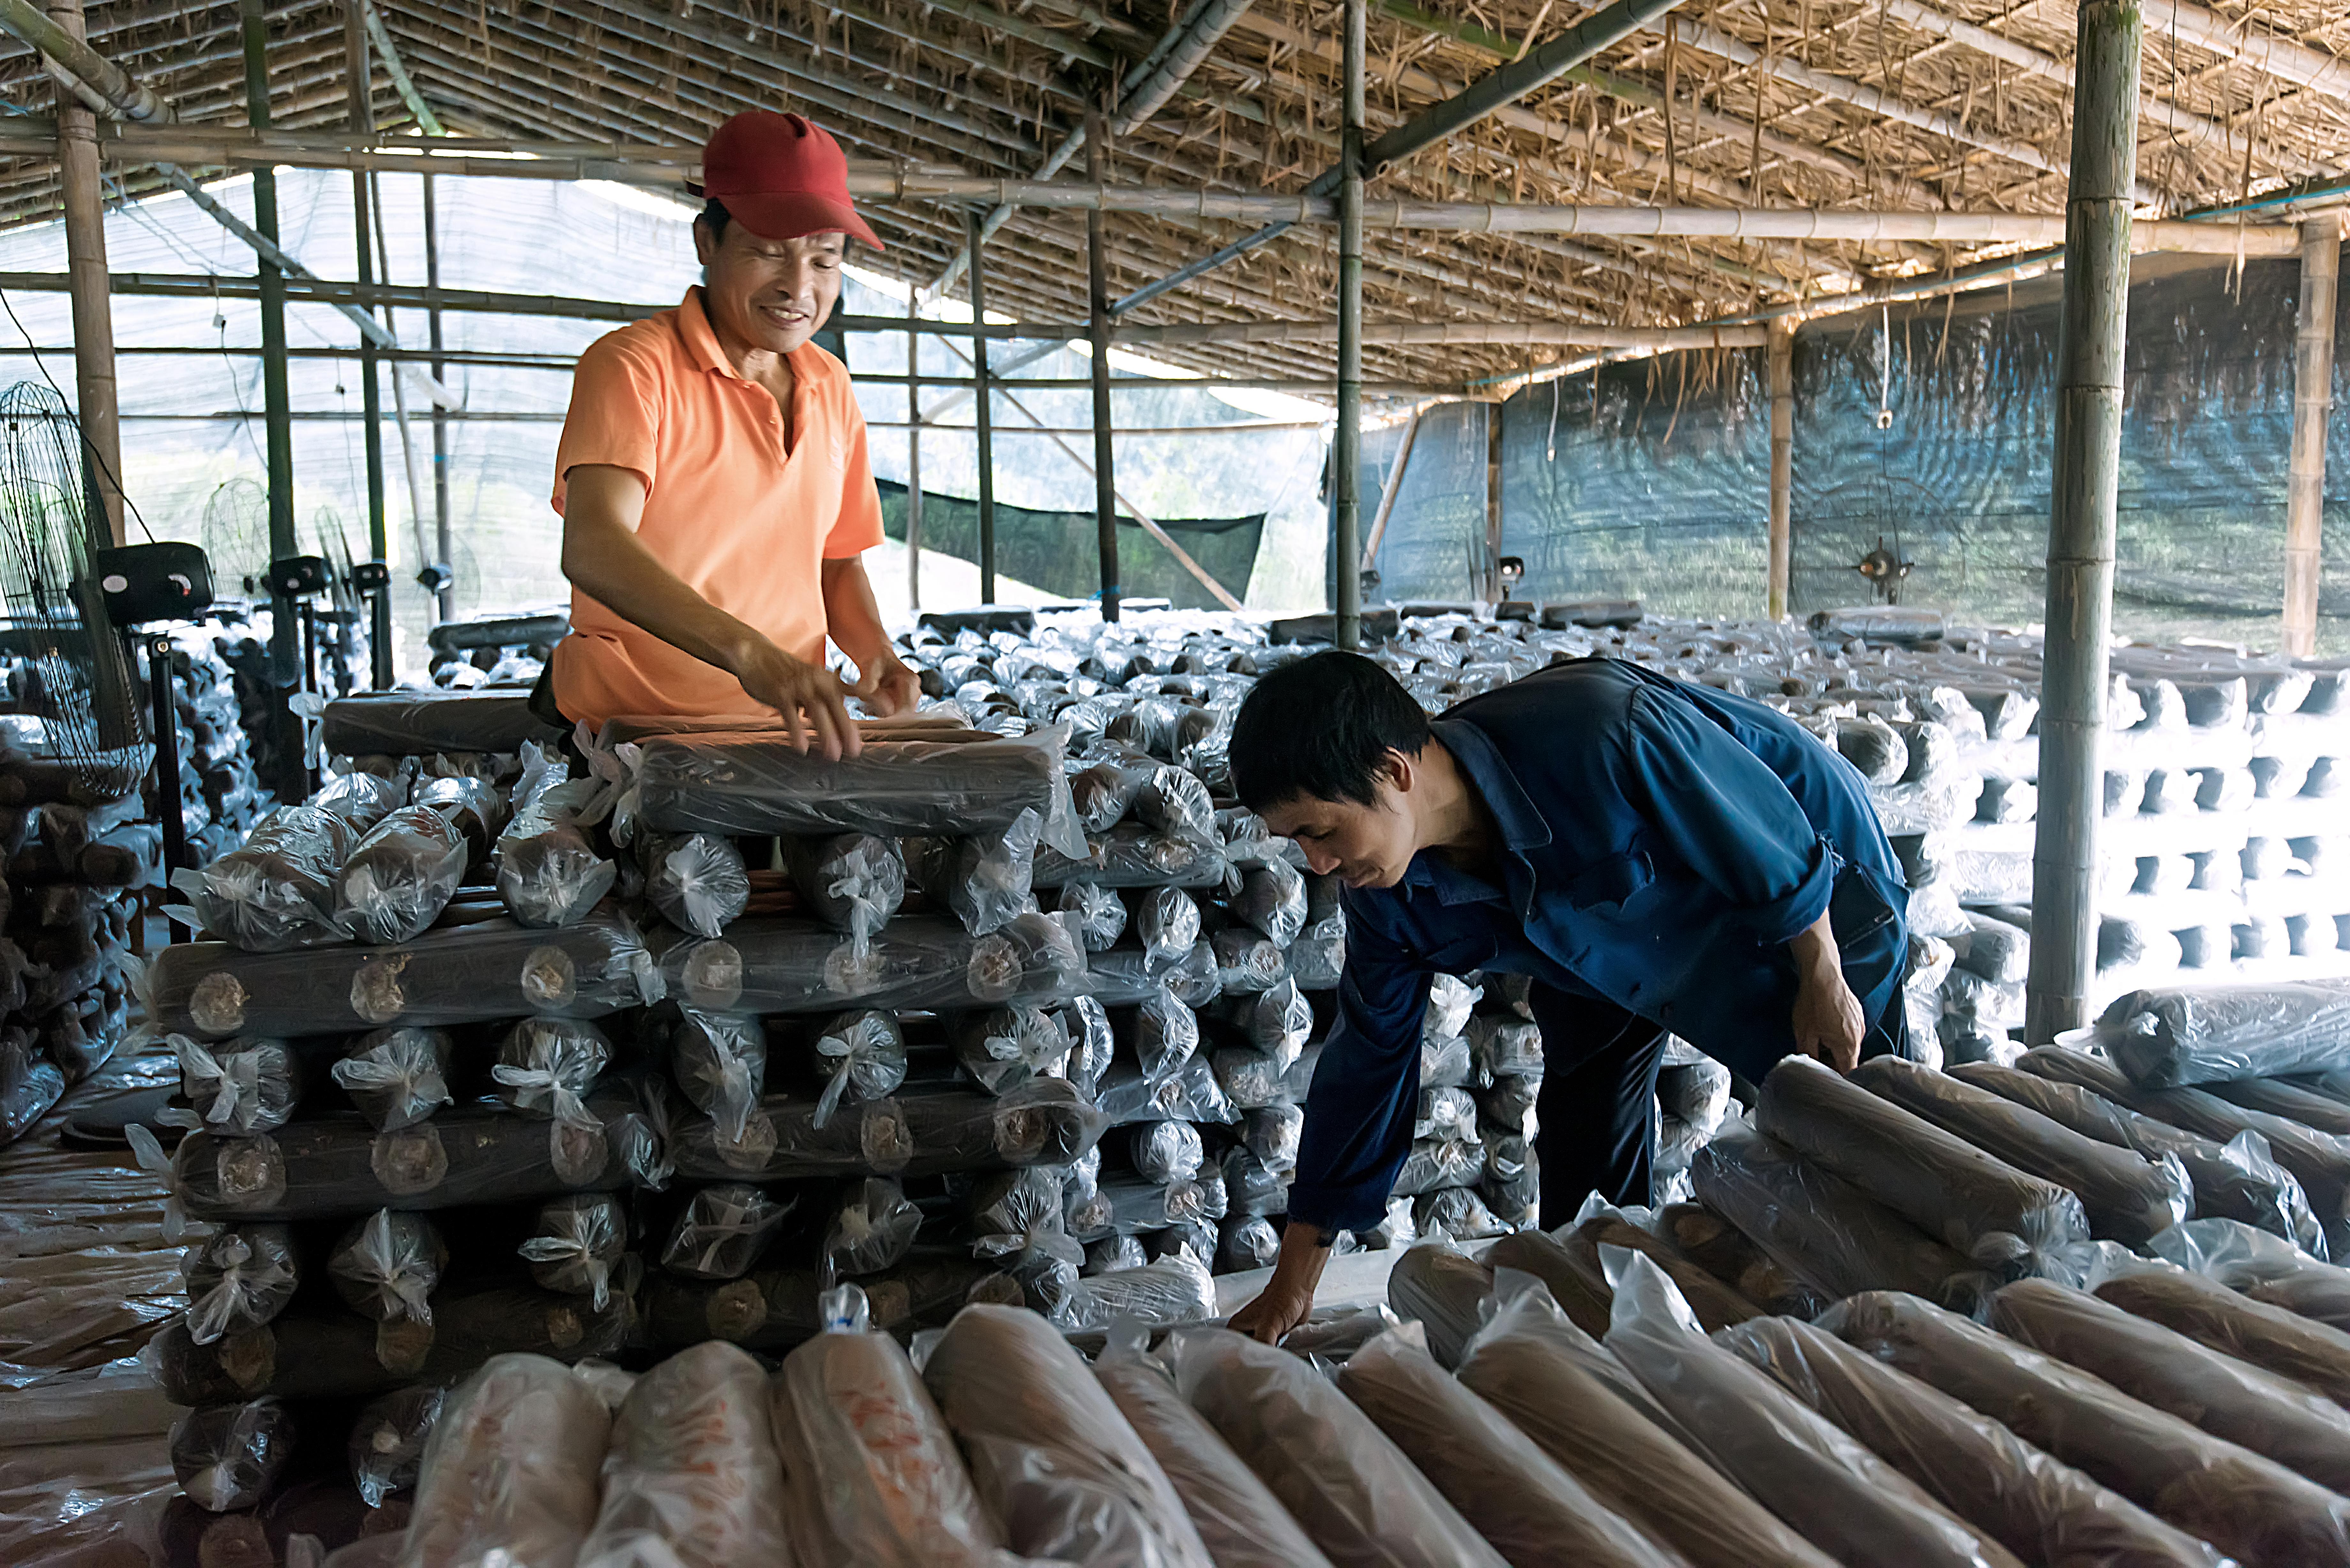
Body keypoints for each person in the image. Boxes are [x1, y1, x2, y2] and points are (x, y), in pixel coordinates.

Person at [1223, 650, 1911, 1343]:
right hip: (1601, 935)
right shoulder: (1389, 900)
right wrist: (1290, 1288)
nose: (1317, 864)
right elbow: (1367, 1068)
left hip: (1799, 884)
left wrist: (1823, 973)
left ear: (1393, 772)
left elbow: (1766, 835)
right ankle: (1615, 1327)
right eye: (1297, 843)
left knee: (1844, 1127)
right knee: (1586, 1133)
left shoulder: (1600, 733)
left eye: (1319, 830)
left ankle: (1902, 1329)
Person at [538, 110, 920, 757]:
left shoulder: (830, 384)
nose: (798, 287)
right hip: (633, 736)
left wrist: (873, 651)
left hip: (785, 736)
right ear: (705, 243)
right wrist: (748, 651)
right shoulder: (634, 366)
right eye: (767, 251)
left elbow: (835, 561)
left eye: (824, 259)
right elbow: (595, 544)